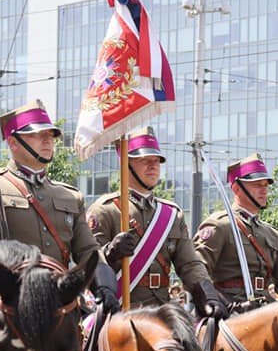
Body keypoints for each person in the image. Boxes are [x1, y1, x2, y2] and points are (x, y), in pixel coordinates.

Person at [0, 99, 118, 309]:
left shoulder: (70, 196)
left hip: (59, 307)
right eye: (38, 135)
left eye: (50, 135)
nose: (48, 140)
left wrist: (105, 287)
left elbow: (88, 250)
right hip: (8, 309)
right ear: (13, 143)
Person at [85, 127, 226, 317]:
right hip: (120, 310)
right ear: (126, 164)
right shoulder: (105, 210)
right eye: (145, 160)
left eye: (157, 160)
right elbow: (88, 263)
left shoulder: (171, 214)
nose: (153, 165)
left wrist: (208, 295)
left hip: (162, 310)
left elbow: (190, 264)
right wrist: (110, 253)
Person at [194, 153, 278, 304]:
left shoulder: (270, 233)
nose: (264, 190)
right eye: (257, 185)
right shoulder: (220, 225)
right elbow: (197, 269)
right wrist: (211, 300)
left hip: (265, 306)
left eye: (265, 185)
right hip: (230, 306)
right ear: (236, 189)